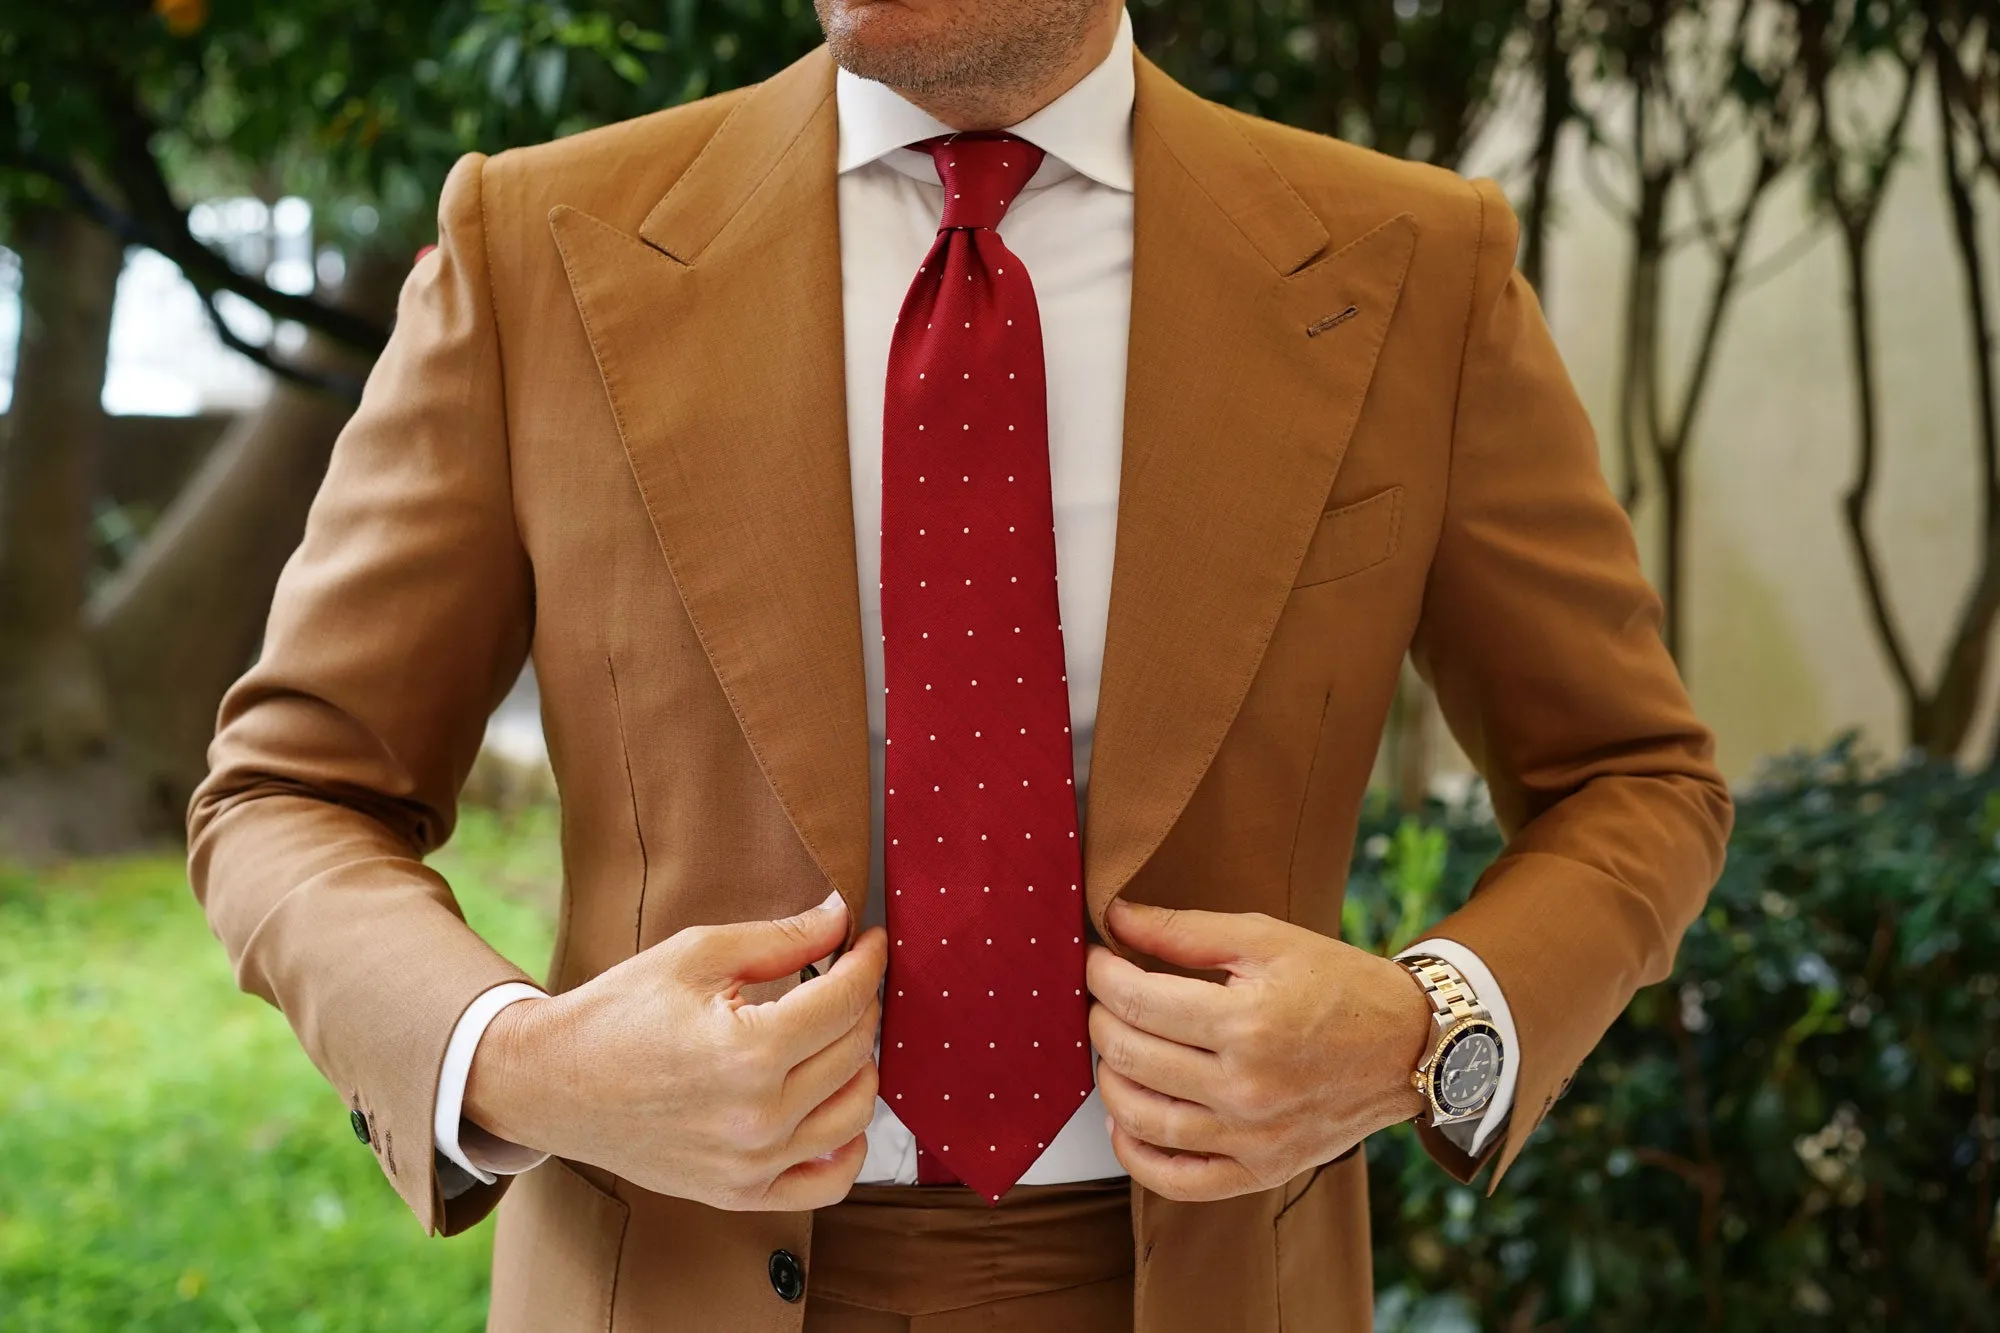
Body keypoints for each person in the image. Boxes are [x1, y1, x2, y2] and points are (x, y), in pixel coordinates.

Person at [187, 1, 1733, 1328]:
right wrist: (524, 1064)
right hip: (661, 1275)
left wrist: (1424, 1029)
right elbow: (290, 794)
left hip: (1206, 1284)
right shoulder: (535, 244)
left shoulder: (1413, 267)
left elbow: (1633, 781)